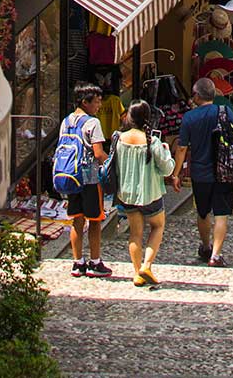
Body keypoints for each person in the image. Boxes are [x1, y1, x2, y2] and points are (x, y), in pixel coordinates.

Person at [176, 74, 233, 266]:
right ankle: (216, 254)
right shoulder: (224, 111)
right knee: (221, 214)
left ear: (196, 95)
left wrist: (176, 174)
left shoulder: (189, 117)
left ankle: (205, 246)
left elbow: (182, 148)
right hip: (224, 171)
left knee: (203, 212)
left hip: (200, 172)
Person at [112, 99, 175, 288]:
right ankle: (147, 266)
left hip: (127, 194)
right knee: (157, 226)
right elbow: (167, 170)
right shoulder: (152, 141)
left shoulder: (119, 139)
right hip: (150, 194)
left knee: (135, 233)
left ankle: (136, 273)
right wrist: (168, 153)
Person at [52, 84, 113, 279]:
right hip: (89, 176)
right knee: (95, 220)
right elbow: (98, 153)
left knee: (76, 219)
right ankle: (95, 262)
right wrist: (112, 165)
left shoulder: (66, 121)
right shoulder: (92, 123)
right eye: (96, 101)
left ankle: (78, 263)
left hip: (71, 175)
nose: (99, 105)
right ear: (85, 102)